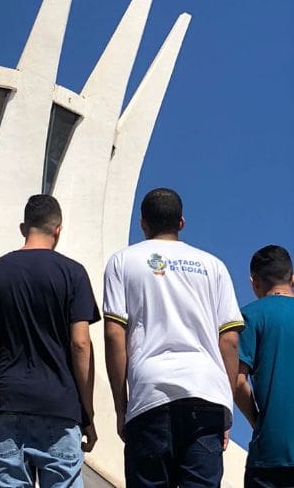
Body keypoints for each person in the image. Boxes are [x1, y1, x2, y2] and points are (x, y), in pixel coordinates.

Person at [103, 188, 243, 487]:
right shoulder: (213, 265)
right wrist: (225, 404)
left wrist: (120, 405)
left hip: (150, 395)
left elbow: (115, 334)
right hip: (206, 394)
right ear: (181, 222)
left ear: (142, 223)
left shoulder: (123, 262)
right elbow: (229, 340)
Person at [0, 194, 99, 487]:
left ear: (23, 228)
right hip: (60, 404)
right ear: (58, 229)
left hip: (7, 402)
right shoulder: (73, 273)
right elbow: (80, 344)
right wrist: (87, 411)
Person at [234, 245, 294, 487]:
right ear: (292, 276)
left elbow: (237, 382)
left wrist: (257, 421)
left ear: (254, 282)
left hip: (270, 453)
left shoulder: (249, 317)